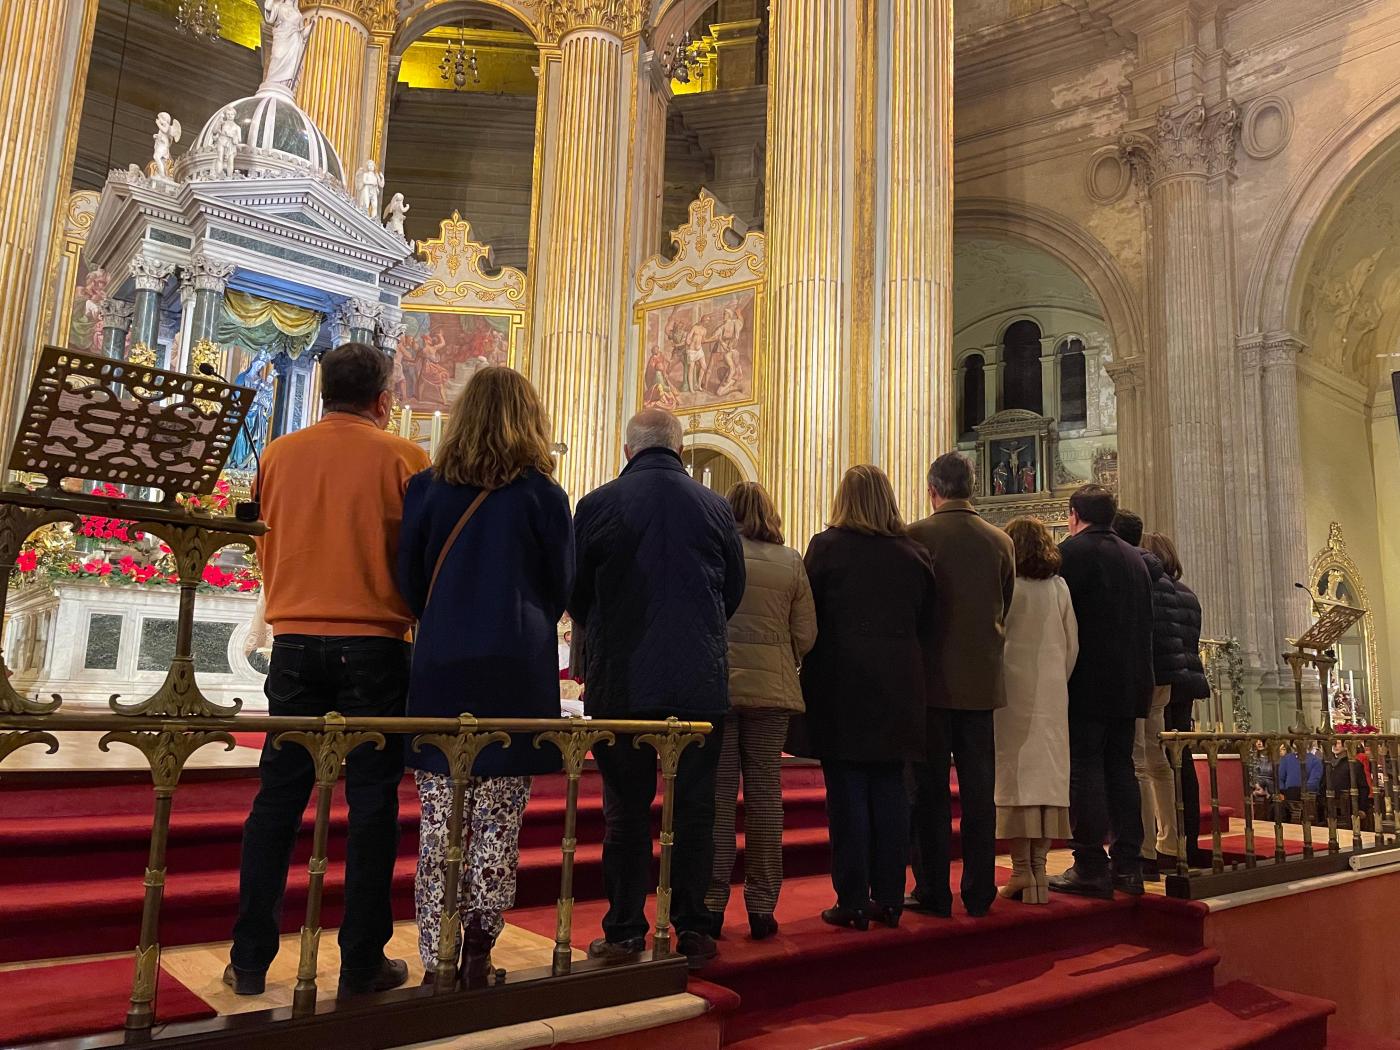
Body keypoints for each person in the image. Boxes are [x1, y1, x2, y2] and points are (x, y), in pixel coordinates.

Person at [227, 342, 430, 998]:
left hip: (292, 642)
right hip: (375, 644)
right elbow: (419, 555)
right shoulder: (405, 457)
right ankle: (362, 961)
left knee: (278, 798)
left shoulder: (277, 454)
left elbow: (261, 535)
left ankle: (250, 959)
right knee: (371, 802)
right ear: (383, 398)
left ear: (321, 393)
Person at [396, 367, 573, 985]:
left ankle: (434, 956)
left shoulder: (426, 488)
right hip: (515, 670)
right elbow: (561, 584)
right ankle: (477, 948)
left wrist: (447, 615)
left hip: (442, 664)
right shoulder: (543, 495)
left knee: (441, 818)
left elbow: (409, 580)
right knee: (499, 815)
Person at [569, 408, 745, 971]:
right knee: (695, 810)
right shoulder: (715, 506)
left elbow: (575, 592)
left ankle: (624, 930)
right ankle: (692, 927)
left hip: (622, 683)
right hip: (699, 683)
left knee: (625, 811)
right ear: (680, 448)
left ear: (628, 451)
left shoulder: (597, 504)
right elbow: (733, 590)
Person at [798, 465, 935, 931]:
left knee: (847, 792)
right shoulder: (914, 554)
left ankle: (853, 900)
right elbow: (927, 620)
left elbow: (809, 615)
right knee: (892, 789)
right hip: (900, 684)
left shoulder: (827, 547)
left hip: (843, 683)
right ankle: (891, 898)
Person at [704, 482, 817, 941]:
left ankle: (712, 903)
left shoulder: (717, 555)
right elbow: (806, 633)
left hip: (721, 689)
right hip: (771, 693)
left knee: (718, 796)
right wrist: (783, 656)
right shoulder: (789, 560)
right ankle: (762, 905)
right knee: (765, 798)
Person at [905, 452, 1014, 918]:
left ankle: (933, 889)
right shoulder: (1000, 541)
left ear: (933, 490)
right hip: (981, 681)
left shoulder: (916, 536)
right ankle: (980, 890)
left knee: (929, 792)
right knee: (979, 792)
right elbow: (1005, 603)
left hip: (929, 683)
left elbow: (910, 609)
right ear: (972, 487)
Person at [1049, 484, 1154, 899]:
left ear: (1074, 515)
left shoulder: (1070, 554)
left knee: (1086, 768)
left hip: (1087, 681)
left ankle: (1090, 865)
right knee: (1121, 769)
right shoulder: (1136, 559)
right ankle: (1128, 866)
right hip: (1130, 684)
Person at [995, 517, 1078, 905]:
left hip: (1011, 694)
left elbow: (994, 637)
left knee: (1016, 780)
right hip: (1051, 695)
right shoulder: (1058, 587)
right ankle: (1040, 872)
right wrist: (1056, 680)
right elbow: (1071, 644)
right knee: (1047, 780)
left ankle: (1020, 871)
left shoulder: (1007, 586)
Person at [1112, 510, 1179, 879]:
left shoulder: (1131, 571)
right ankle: (1170, 843)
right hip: (1163, 676)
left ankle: (1144, 848)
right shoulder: (1165, 580)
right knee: (1157, 761)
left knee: (1137, 760)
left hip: (1139, 674)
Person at [1141, 532, 1212, 870]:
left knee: (1157, 762)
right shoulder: (1188, 594)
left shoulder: (1154, 591)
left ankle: (1166, 840)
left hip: (1163, 680)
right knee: (1181, 760)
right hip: (1187, 681)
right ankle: (1189, 839)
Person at [1323, 737, 1372, 822]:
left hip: (1349, 806)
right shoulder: (1327, 763)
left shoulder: (1355, 764)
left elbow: (1363, 787)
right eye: (1333, 743)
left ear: (1345, 745)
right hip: (1330, 805)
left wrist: (1362, 808)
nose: (1335, 746)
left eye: (1338, 743)